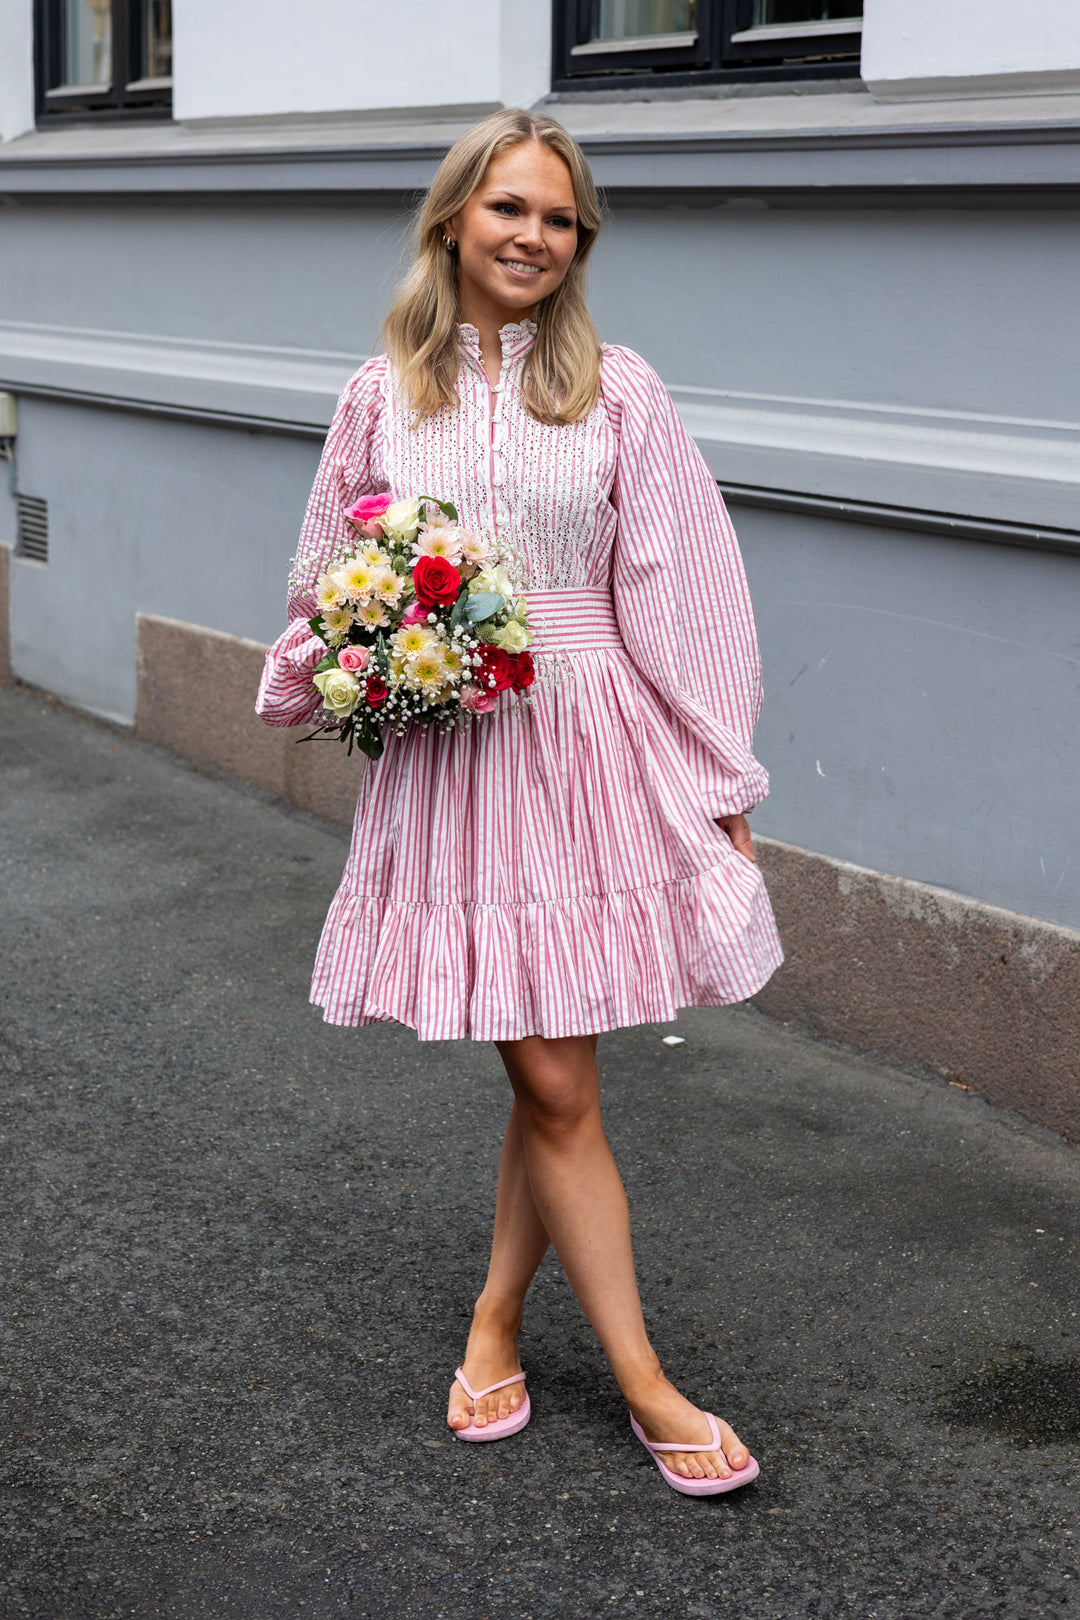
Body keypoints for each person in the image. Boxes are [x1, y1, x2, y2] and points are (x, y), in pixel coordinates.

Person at [257, 109, 783, 1497]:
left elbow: (681, 587)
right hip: (459, 758)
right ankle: (645, 1383)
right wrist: (335, 667)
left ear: (579, 243)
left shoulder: (620, 390)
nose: (532, 238)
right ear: (452, 220)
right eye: (508, 210)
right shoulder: (383, 394)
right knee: (549, 1068)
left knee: (552, 1068)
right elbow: (328, 567)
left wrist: (719, 772)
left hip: (594, 750)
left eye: (558, 219)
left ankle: (502, 1325)